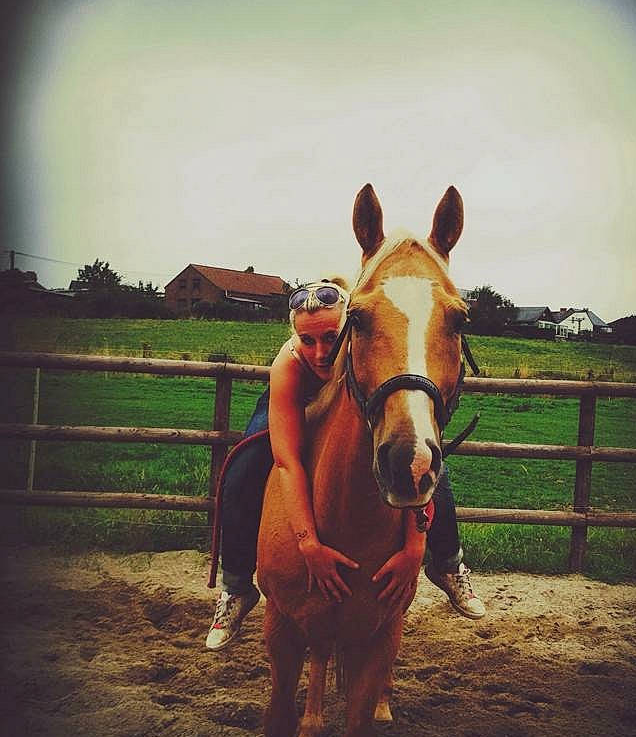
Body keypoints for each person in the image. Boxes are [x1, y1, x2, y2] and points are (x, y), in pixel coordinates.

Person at [205, 278, 486, 650]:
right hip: (297, 400)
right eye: (307, 340)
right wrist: (307, 545)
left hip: (355, 395)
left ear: (351, 331)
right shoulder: (289, 366)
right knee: (243, 469)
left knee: (431, 467)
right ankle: (237, 587)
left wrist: (415, 545)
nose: (320, 352)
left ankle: (448, 563)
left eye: (329, 337)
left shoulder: (367, 352)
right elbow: (287, 462)